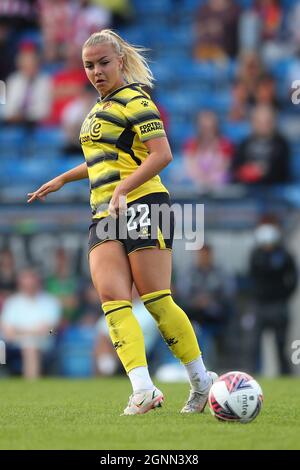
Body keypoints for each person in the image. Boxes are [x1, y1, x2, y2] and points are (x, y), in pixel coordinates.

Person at [27, 29, 217, 415]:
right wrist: (65, 177)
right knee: (113, 300)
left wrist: (124, 189)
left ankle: (200, 380)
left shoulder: (136, 99)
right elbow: (104, 159)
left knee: (156, 300)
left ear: (120, 62)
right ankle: (143, 388)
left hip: (145, 202)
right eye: (89, 65)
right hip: (104, 212)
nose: (96, 71)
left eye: (103, 63)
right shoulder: (96, 110)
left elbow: (162, 155)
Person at [249, 217, 298, 374]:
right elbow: (253, 275)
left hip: (279, 304)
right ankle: (252, 374)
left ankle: (285, 374)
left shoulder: (285, 254)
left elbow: (293, 278)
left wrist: (284, 295)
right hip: (260, 304)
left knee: (281, 343)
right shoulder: (256, 254)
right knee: (254, 343)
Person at [0, 268, 62, 379]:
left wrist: (20, 330)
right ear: (20, 284)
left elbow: (51, 330)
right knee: (28, 343)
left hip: (44, 341)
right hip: (14, 342)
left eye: (31, 284)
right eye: (26, 284)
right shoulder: (12, 302)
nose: (29, 287)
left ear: (38, 283)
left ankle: (31, 385)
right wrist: (32, 332)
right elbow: (8, 332)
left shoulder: (50, 302)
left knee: (30, 345)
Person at [232, 105, 290, 185]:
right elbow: (236, 167)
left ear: (274, 122)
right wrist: (247, 171)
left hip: (273, 188)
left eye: (267, 122)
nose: (263, 126)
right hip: (247, 188)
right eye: (259, 122)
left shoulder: (282, 144)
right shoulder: (244, 143)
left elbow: (282, 171)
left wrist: (261, 171)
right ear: (253, 122)